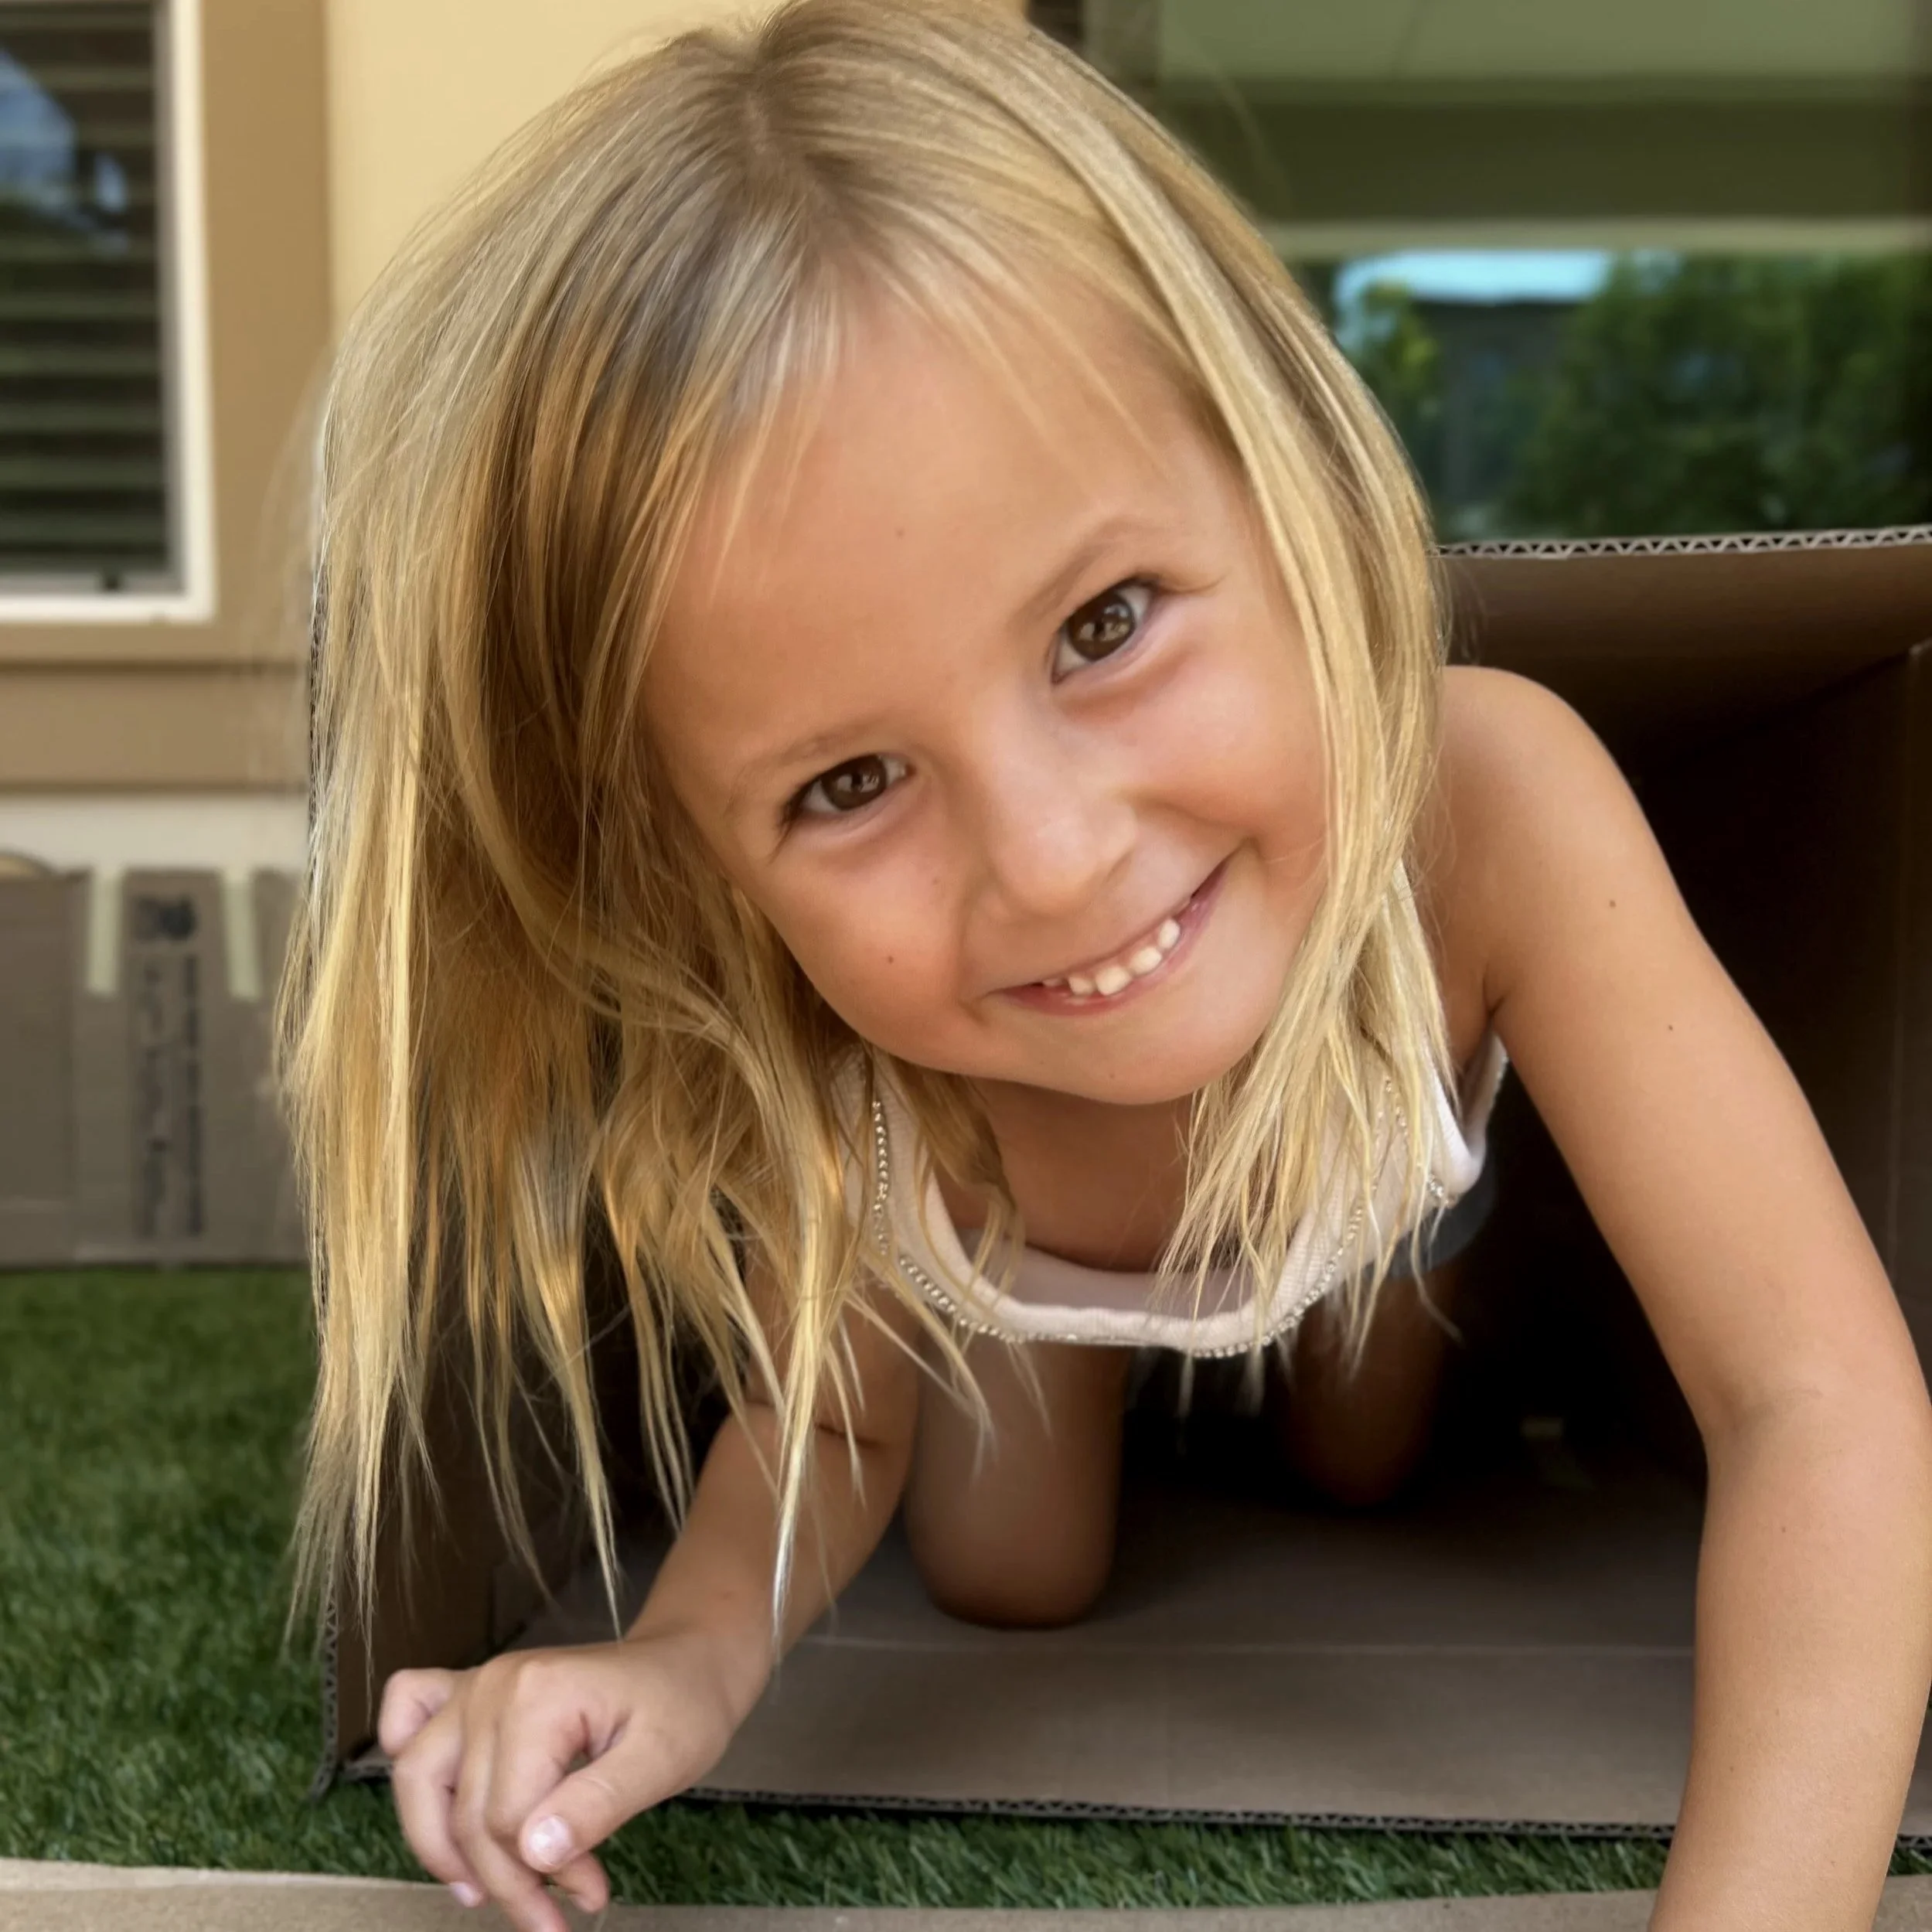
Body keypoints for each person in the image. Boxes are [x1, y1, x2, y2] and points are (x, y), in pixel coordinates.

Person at [276, 4, 1932, 1930]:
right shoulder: (830, 1023)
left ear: (1292, 467)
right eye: (850, 780)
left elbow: (1815, 1398)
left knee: (1371, 1454)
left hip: (1373, 1217)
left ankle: (1384, 1326)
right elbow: (829, 1421)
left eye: (1107, 622)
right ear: (698, 868)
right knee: (1014, 1575)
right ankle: (1117, 1350)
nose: (1054, 865)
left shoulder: (1490, 796)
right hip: (1018, 1284)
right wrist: (680, 1659)